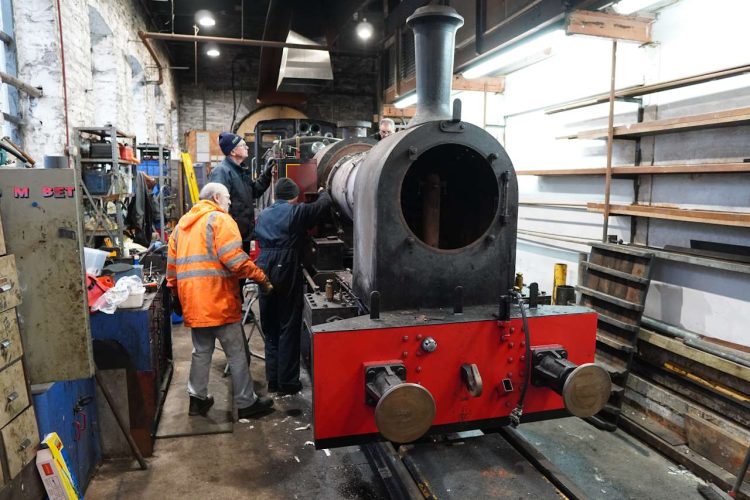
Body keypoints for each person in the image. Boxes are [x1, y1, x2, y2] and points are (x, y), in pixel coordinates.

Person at [167, 182, 275, 419]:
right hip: (219, 300)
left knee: (201, 351)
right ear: (216, 197)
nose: (230, 203)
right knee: (236, 353)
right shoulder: (220, 220)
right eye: (227, 198)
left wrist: (175, 295)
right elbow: (234, 259)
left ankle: (197, 400)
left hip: (194, 303)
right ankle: (246, 402)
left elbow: (172, 269)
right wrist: (261, 277)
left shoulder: (181, 227)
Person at [254, 178, 332, 395]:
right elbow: (321, 206)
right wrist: (324, 191)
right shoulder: (295, 212)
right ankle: (288, 382)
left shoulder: (263, 215)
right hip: (285, 266)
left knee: (270, 325)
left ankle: (273, 379)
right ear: (294, 196)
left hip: (263, 266)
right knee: (288, 323)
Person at [208, 132, 274, 250]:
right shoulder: (222, 172)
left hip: (243, 235)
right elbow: (218, 206)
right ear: (233, 152)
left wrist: (266, 174)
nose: (247, 147)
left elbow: (254, 191)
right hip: (231, 237)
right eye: (243, 145)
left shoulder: (241, 170)